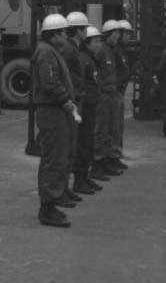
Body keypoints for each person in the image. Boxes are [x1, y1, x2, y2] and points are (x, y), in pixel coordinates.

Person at [31, 14, 79, 228]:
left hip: (54, 110)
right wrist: (66, 101)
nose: (66, 37)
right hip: (53, 111)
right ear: (55, 34)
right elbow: (50, 83)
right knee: (54, 158)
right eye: (64, 33)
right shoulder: (46, 53)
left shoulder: (49, 52)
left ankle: (50, 203)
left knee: (53, 157)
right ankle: (48, 207)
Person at [61, 11, 90, 203]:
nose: (86, 32)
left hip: (75, 99)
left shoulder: (73, 49)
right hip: (72, 101)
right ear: (78, 31)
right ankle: (62, 190)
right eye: (85, 29)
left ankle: (65, 188)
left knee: (72, 146)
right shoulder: (70, 50)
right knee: (67, 147)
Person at [90, 20, 122, 178]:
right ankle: (98, 162)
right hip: (103, 95)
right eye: (115, 33)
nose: (118, 36)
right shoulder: (102, 50)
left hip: (111, 93)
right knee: (100, 129)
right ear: (108, 34)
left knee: (110, 128)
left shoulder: (112, 50)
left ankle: (107, 159)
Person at [73, 26, 102, 195]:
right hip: (86, 105)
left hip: (91, 104)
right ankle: (79, 179)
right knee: (83, 143)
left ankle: (84, 176)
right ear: (88, 44)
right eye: (96, 42)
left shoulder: (90, 59)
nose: (99, 45)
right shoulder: (83, 59)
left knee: (88, 143)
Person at [106, 20, 130, 168]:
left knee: (118, 126)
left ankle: (116, 154)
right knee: (113, 126)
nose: (128, 37)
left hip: (119, 92)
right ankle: (111, 155)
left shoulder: (120, 50)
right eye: (125, 34)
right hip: (114, 93)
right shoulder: (113, 50)